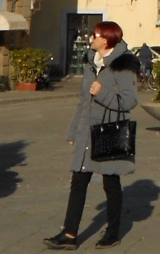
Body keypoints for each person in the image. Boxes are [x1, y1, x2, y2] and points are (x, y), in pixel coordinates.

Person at [45, 21, 140, 250]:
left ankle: (113, 233)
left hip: (110, 132)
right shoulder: (91, 64)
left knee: (111, 183)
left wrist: (103, 93)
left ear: (106, 39)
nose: (91, 38)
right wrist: (73, 131)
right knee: (78, 181)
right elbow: (83, 103)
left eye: (95, 35)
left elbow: (130, 101)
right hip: (87, 132)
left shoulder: (123, 65)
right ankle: (69, 234)